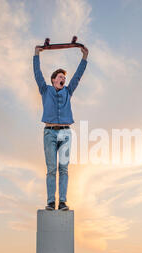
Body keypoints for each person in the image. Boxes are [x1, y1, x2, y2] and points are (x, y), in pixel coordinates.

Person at [33, 44, 88, 210]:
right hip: (49, 133)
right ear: (53, 80)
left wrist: (84, 58)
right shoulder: (45, 90)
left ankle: (62, 202)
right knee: (51, 169)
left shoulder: (68, 92)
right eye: (59, 76)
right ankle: (51, 202)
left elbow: (78, 76)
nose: (63, 78)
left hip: (65, 133)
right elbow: (37, 74)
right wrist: (36, 55)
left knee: (63, 168)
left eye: (64, 77)